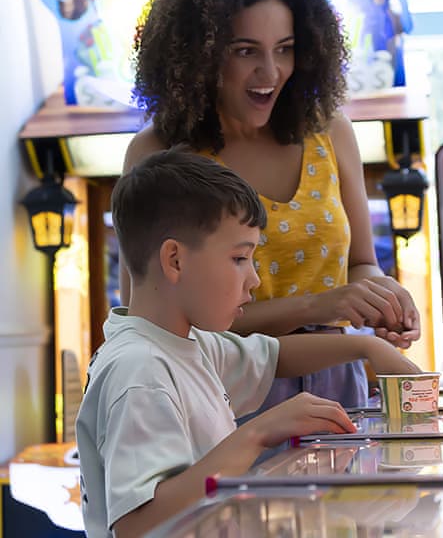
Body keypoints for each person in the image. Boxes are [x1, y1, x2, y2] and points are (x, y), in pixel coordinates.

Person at [123, 0, 421, 410]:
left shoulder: (330, 131)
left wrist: (382, 297)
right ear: (196, 56)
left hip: (339, 388)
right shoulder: (158, 154)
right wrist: (322, 307)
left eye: (285, 48)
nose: (271, 71)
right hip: (221, 394)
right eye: (246, 51)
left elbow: (362, 262)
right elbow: (148, 319)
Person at [77, 149, 420, 538]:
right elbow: (139, 524)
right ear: (174, 260)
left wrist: (370, 349)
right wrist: (258, 433)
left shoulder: (190, 345)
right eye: (240, 258)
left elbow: (275, 357)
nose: (254, 280)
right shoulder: (139, 371)